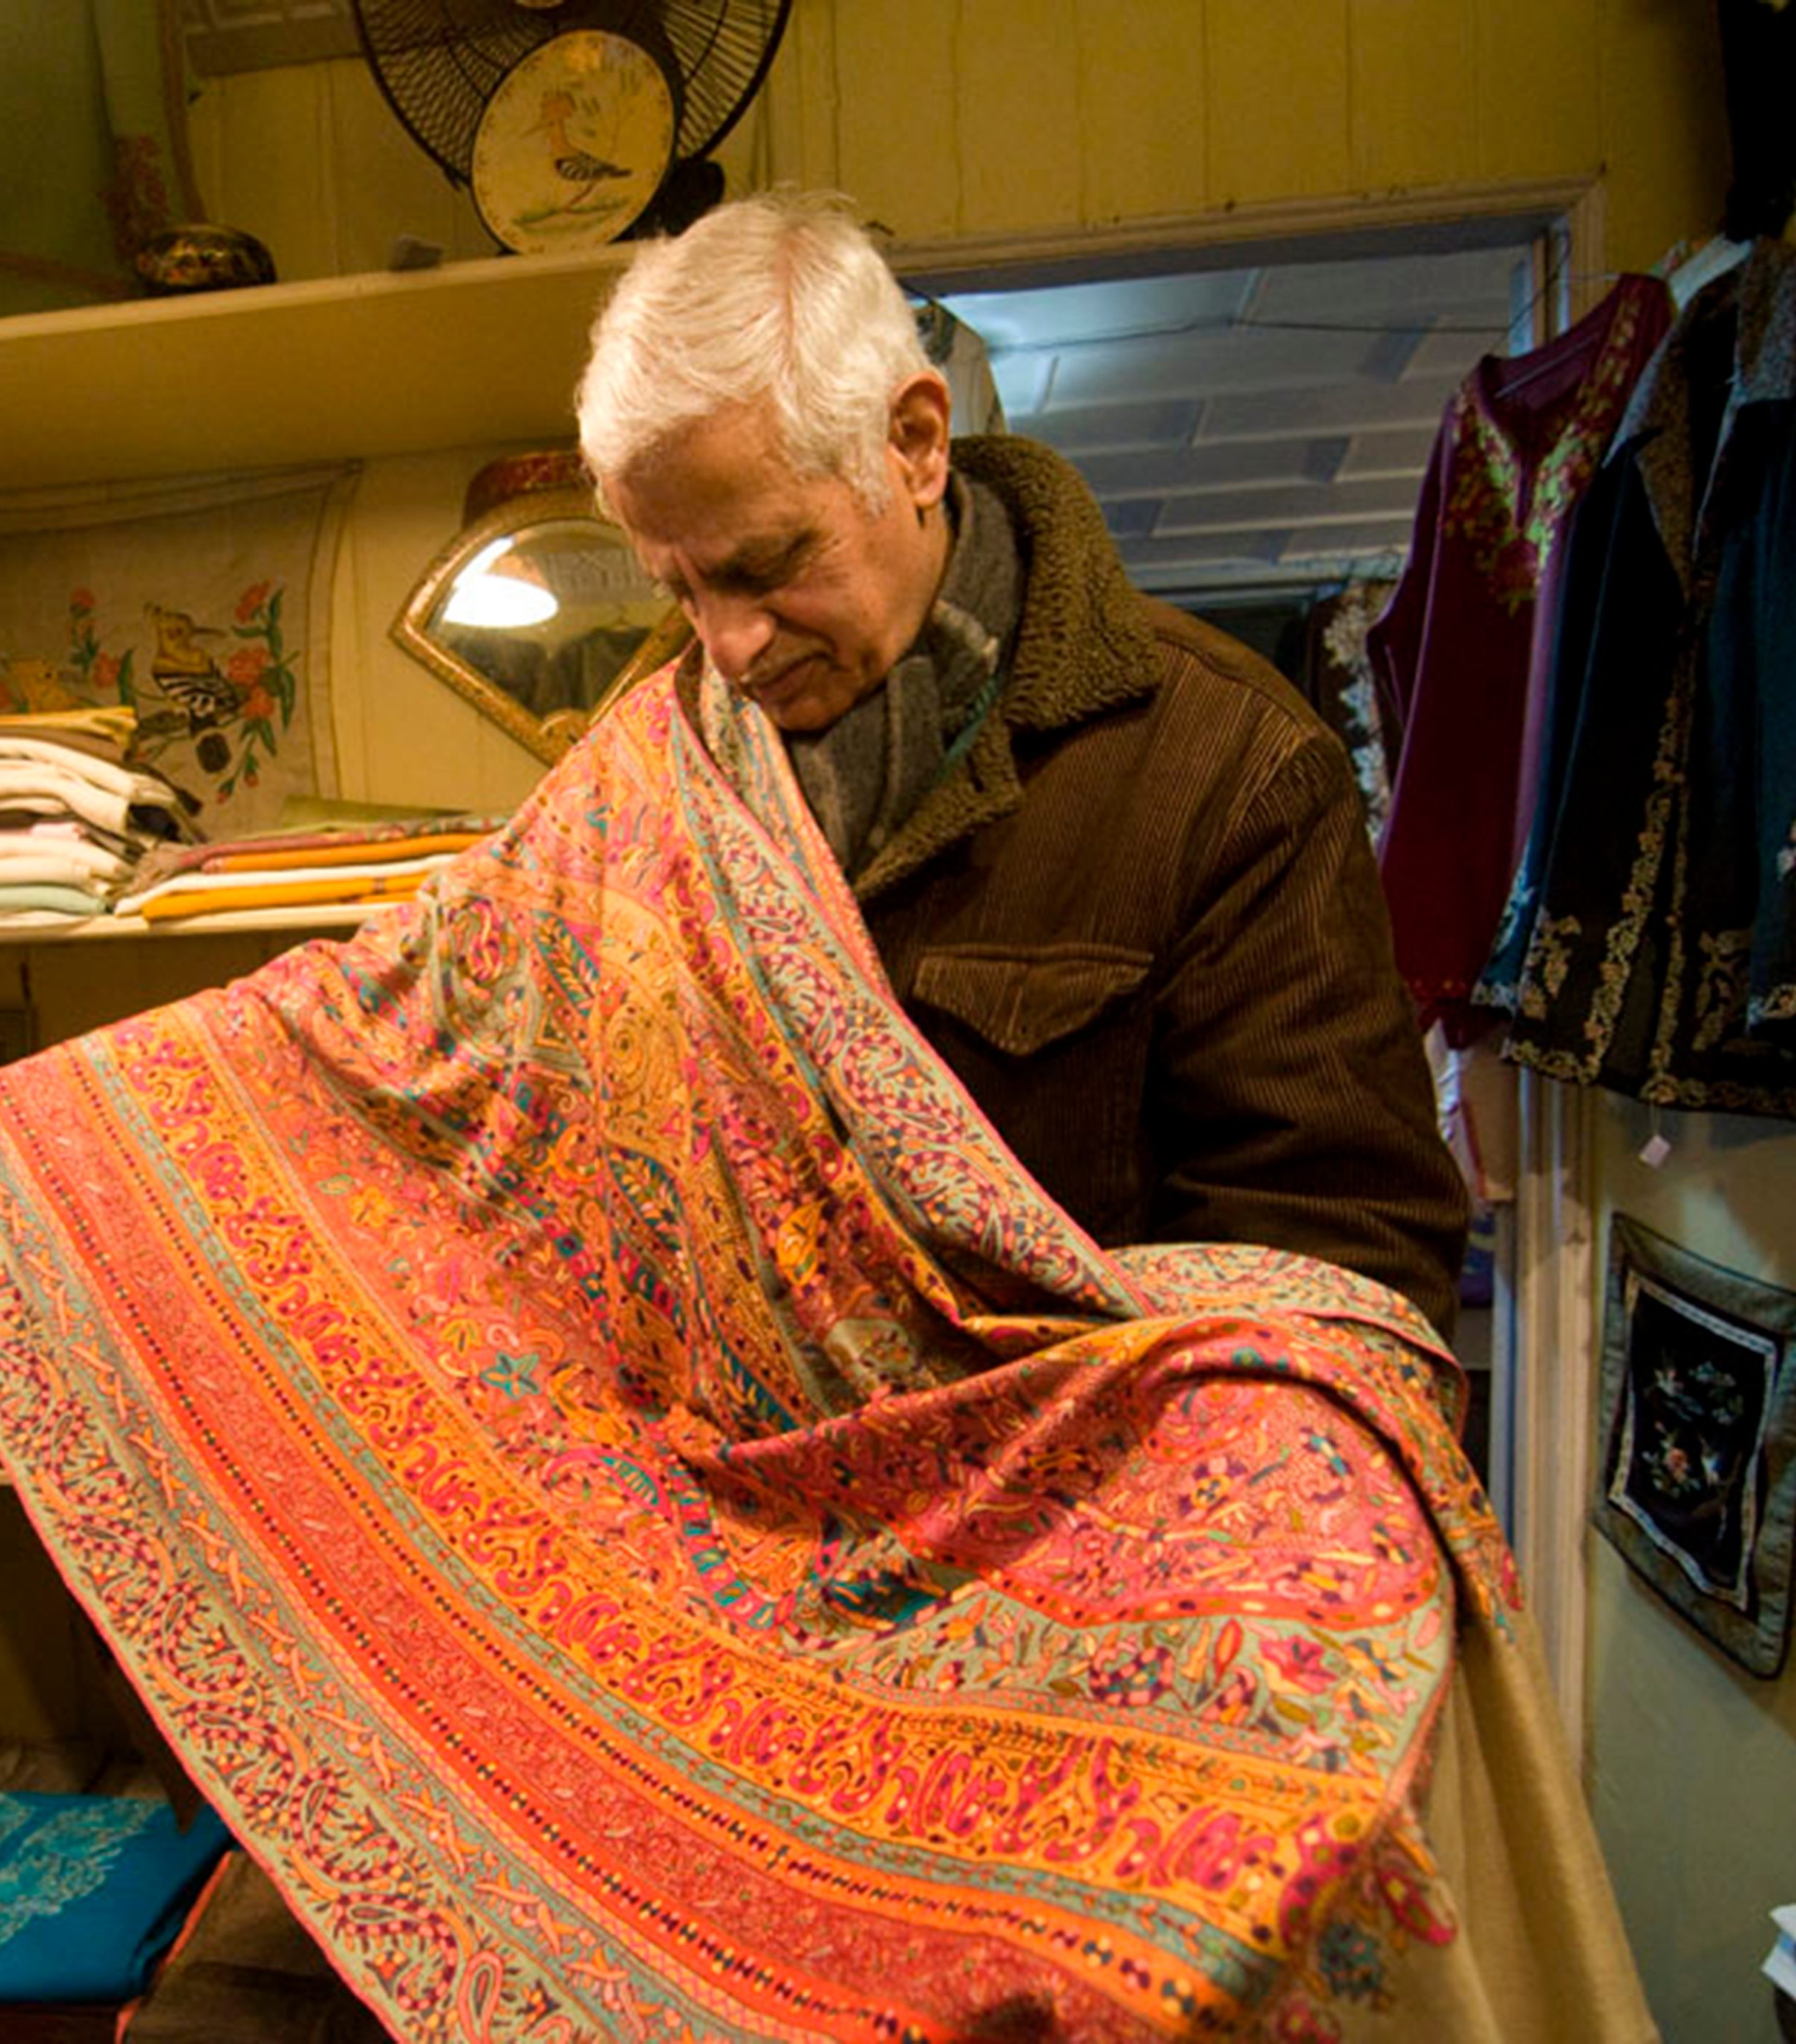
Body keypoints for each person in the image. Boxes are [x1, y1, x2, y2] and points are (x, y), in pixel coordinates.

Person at [574, 188, 1471, 1336]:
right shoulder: (644, 767)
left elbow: (1342, 1253)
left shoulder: (1225, 765)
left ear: (912, 444)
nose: (727, 644)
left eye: (767, 563)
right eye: (681, 586)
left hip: (1090, 1491)